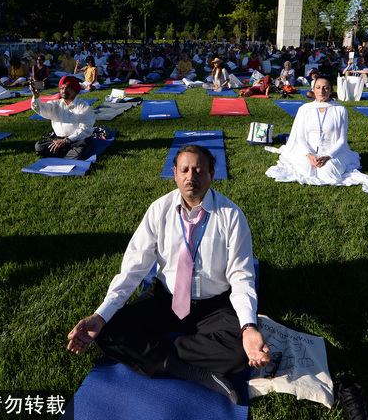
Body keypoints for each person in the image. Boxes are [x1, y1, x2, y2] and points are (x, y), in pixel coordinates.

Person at [66, 145, 271, 404]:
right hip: (167, 298)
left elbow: (242, 276)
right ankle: (196, 372)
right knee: (105, 330)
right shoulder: (159, 210)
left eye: (199, 170)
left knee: (239, 350)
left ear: (212, 174)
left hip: (214, 305)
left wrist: (248, 327)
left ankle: (157, 353)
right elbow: (133, 268)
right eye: (184, 170)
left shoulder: (231, 216)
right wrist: (100, 314)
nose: (191, 177)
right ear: (174, 173)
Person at [265, 78, 368, 192]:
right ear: (313, 89)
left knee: (329, 174)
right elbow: (300, 137)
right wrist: (311, 157)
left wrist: (327, 157)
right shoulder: (304, 109)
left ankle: (327, 163)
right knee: (305, 171)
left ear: (331, 91)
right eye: (318, 88)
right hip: (308, 151)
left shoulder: (340, 110)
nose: (321, 91)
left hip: (332, 152)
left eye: (325, 88)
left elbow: (342, 140)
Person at [29, 76, 95, 160]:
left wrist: (66, 140)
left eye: (67, 88)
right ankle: (66, 152)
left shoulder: (83, 106)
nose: (63, 91)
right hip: (59, 140)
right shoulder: (55, 104)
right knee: (39, 146)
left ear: (74, 90)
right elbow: (40, 108)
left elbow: (86, 129)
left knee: (79, 153)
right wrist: (36, 97)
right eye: (62, 88)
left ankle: (62, 152)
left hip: (77, 140)